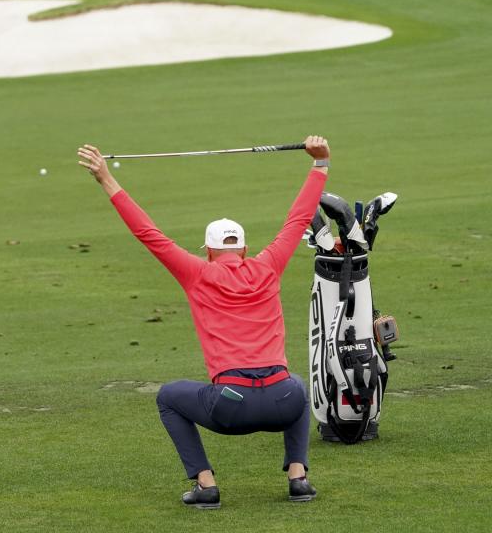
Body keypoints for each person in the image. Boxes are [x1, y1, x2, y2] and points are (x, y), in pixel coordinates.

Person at [77, 136, 330, 509]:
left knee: (168, 397)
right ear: (243, 248)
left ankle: (206, 484)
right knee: (295, 384)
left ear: (209, 251)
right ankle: (298, 478)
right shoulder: (269, 264)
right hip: (283, 402)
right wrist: (320, 164)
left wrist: (106, 179)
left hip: (231, 406)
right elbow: (297, 218)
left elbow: (148, 233)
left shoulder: (197, 273)